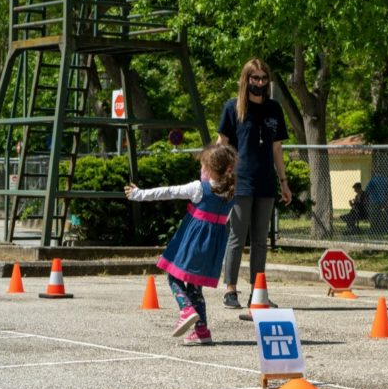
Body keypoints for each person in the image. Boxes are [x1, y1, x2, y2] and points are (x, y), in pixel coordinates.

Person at [124, 143, 237, 345]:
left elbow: (168, 191)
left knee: (173, 276)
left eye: (202, 166)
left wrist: (138, 194)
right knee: (195, 287)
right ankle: (202, 331)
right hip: (214, 246)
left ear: (209, 169)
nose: (200, 169)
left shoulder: (199, 188)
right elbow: (225, 220)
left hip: (194, 241)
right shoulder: (230, 192)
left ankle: (185, 309)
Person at [216, 58, 292, 316]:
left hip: (266, 183)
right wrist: (220, 175)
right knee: (237, 236)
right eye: (254, 78)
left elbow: (277, 148)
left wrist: (284, 182)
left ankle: (257, 294)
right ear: (246, 80)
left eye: (263, 79)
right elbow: (221, 144)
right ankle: (230, 289)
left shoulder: (274, 109)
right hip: (241, 181)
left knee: (260, 241)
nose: (259, 83)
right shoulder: (233, 108)